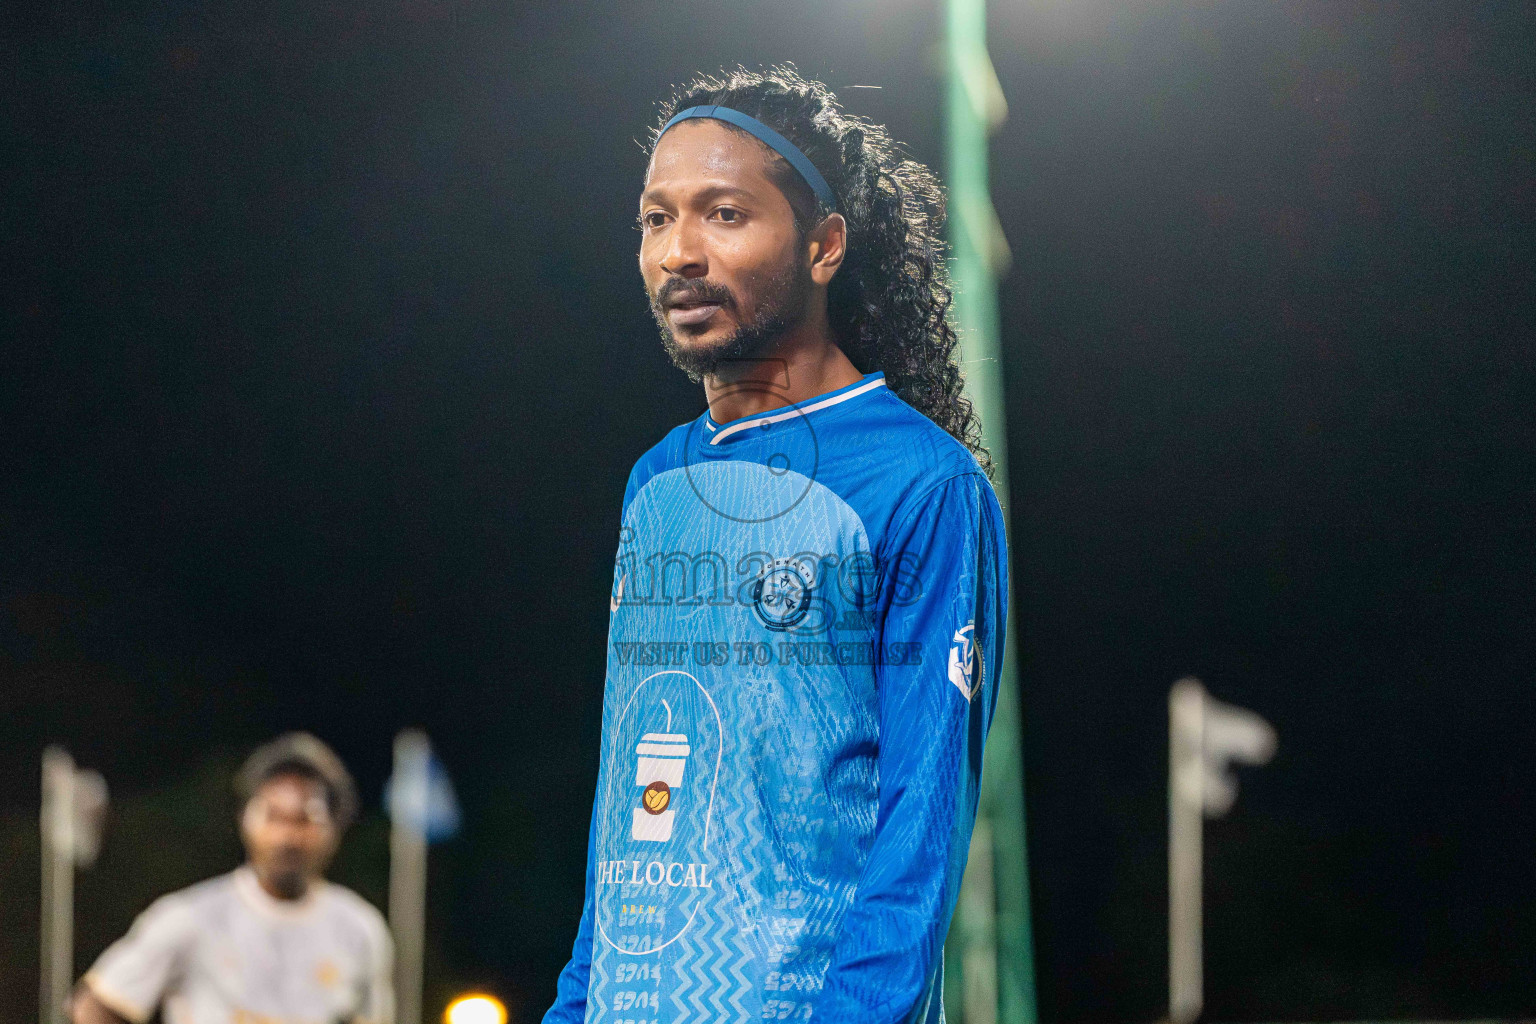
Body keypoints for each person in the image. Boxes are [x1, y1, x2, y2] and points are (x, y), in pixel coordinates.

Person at [544, 67, 1009, 1024]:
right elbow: (629, 789)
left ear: (824, 244)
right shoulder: (655, 485)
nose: (679, 252)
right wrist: (576, 1003)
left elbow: (922, 820)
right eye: (655, 219)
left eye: (723, 214)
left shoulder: (922, 484)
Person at [72, 733, 394, 1024]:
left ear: (334, 829)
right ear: (245, 821)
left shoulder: (360, 929)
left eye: (304, 819)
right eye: (273, 815)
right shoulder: (191, 917)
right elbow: (96, 1005)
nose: (287, 836)